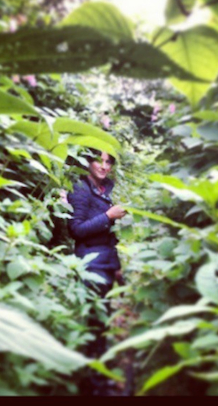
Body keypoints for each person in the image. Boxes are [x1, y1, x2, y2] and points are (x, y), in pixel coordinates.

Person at [67, 149, 127, 395]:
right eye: (98, 160)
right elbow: (76, 230)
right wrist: (108, 215)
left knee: (101, 321)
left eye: (108, 162)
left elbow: (107, 236)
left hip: (105, 262)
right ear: (87, 161)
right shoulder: (80, 189)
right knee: (95, 322)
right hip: (90, 262)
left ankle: (98, 379)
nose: (104, 166)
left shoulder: (103, 190)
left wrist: (117, 266)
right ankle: (93, 386)